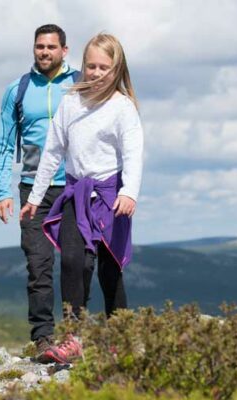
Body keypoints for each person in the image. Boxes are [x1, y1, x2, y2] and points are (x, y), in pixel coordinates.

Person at [20, 33, 144, 364]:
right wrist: (36, 196)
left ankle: (120, 338)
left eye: (104, 67)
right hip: (76, 193)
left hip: (111, 196)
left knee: (109, 269)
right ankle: (74, 338)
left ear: (116, 69)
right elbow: (52, 151)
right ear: (83, 66)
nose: (96, 73)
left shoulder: (122, 107)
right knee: (73, 261)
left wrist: (129, 192)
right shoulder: (71, 102)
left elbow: (133, 154)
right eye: (91, 66)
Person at [0, 24, 80, 362]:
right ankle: (44, 338)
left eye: (51, 47)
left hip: (73, 185)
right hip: (32, 190)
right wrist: (3, 191)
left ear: (64, 50)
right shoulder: (18, 89)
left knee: (74, 263)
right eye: (39, 47)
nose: (44, 52)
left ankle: (75, 334)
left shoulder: (79, 84)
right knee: (38, 264)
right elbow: (3, 144)